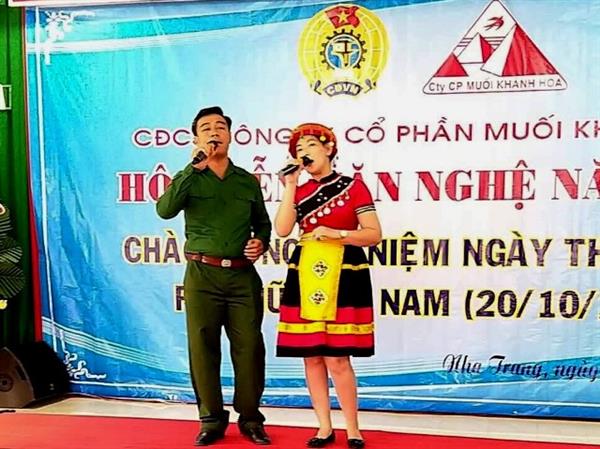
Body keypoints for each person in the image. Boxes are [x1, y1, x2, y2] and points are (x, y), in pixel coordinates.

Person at [156, 106, 272, 446]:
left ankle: (250, 418)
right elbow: (164, 210)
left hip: (242, 276)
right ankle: (211, 420)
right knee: (203, 347)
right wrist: (192, 169)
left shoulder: (246, 180)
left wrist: (260, 242)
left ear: (230, 136)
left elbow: (263, 223)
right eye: (206, 128)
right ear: (196, 139)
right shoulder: (190, 177)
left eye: (220, 126)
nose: (214, 132)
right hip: (201, 275)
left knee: (250, 348)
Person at [274, 123, 382, 449]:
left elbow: (374, 234)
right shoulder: (299, 190)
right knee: (311, 357)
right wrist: (290, 185)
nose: (303, 153)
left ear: (329, 148)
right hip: (306, 271)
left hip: (344, 270)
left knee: (337, 357)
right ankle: (323, 426)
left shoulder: (354, 187)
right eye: (298, 149)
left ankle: (353, 428)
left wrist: (339, 234)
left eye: (309, 145)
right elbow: (282, 229)